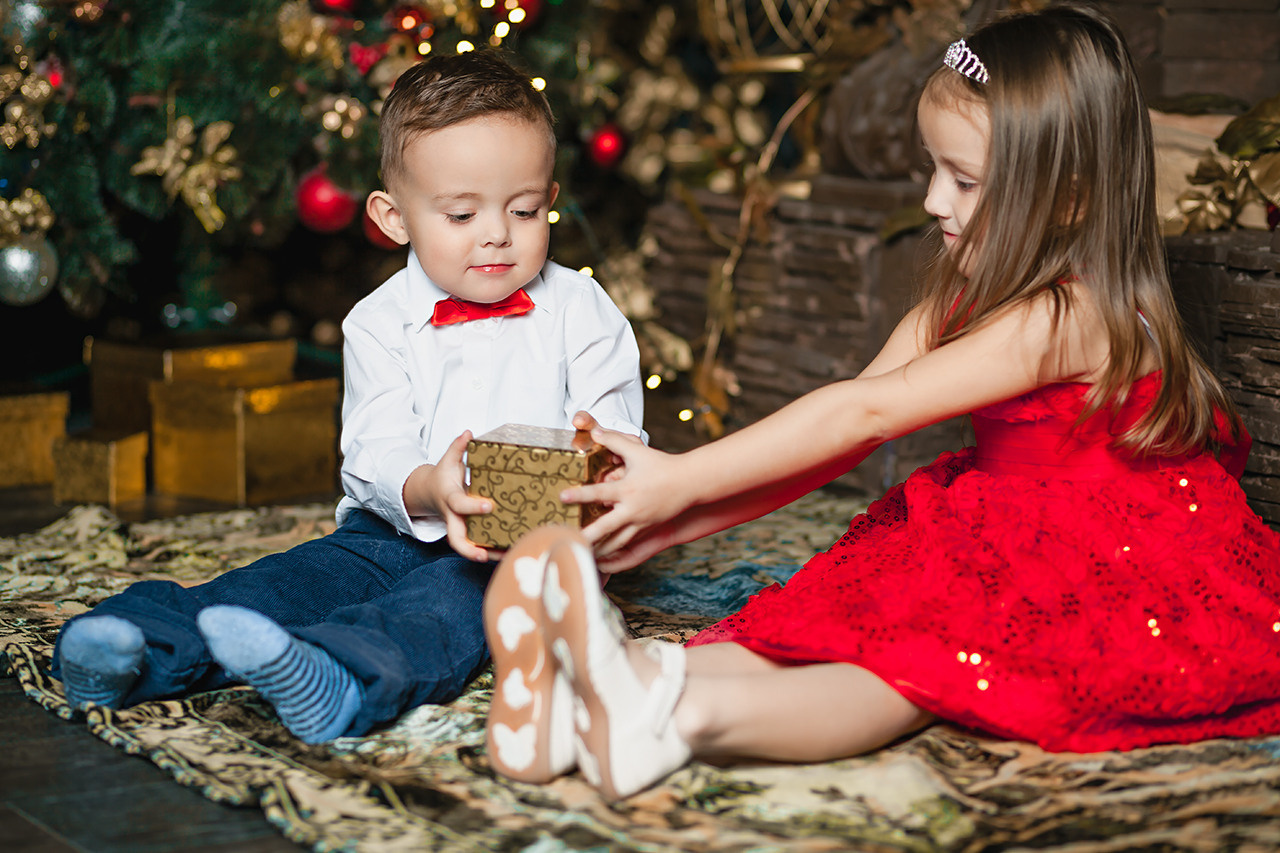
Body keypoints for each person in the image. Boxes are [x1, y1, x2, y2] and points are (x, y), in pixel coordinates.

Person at [481, 2, 1280, 802]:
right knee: (835, 620)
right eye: (933, 168)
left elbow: (863, 415)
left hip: (1102, 561)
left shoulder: (1072, 316)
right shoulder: (961, 302)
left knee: (916, 663)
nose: (935, 200)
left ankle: (680, 714)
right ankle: (614, 684)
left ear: (1068, 199)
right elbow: (848, 426)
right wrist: (666, 519)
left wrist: (679, 475)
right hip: (998, 524)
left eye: (964, 180)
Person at [50, 50, 645, 750]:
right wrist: (431, 487)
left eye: (524, 208)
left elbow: (617, 443)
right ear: (394, 219)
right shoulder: (375, 320)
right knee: (282, 582)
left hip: (523, 551)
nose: (497, 233)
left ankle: (339, 676)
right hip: (387, 529)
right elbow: (373, 446)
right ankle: (136, 645)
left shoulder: (583, 308)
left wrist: (588, 460)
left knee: (442, 610)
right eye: (461, 212)